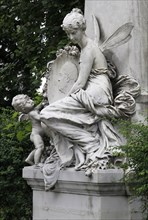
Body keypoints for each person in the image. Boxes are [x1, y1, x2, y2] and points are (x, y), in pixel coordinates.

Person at [40, 9, 134, 172]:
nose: (71, 38)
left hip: (96, 93)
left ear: (82, 29)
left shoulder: (88, 50)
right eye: (68, 34)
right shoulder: (87, 48)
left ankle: (90, 143)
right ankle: (88, 142)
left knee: (47, 114)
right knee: (49, 116)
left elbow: (80, 84)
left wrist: (64, 100)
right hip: (96, 90)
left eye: (73, 33)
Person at [12, 94, 46, 166]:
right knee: (40, 147)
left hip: (35, 134)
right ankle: (37, 163)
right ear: (24, 109)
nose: (30, 101)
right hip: (36, 134)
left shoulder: (34, 110)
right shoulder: (32, 113)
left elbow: (39, 106)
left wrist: (43, 103)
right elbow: (40, 118)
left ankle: (29, 159)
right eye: (27, 102)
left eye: (29, 99)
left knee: (38, 148)